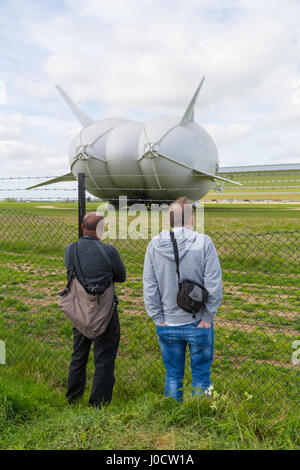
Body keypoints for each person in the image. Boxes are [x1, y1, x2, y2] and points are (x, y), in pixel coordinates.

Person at [143, 197, 222, 402]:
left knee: (172, 374)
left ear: (169, 219)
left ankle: (171, 417)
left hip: (167, 322)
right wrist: (207, 318)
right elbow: (214, 285)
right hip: (198, 321)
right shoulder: (204, 242)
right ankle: (200, 414)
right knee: (202, 375)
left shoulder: (154, 245)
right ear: (192, 219)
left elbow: (150, 287)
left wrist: (158, 318)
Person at [64, 212, 126, 407]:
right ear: (101, 230)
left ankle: (73, 399)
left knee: (78, 355)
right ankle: (98, 404)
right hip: (105, 312)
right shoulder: (110, 251)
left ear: (83, 227)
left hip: (80, 311)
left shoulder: (70, 250)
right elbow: (121, 276)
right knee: (104, 359)